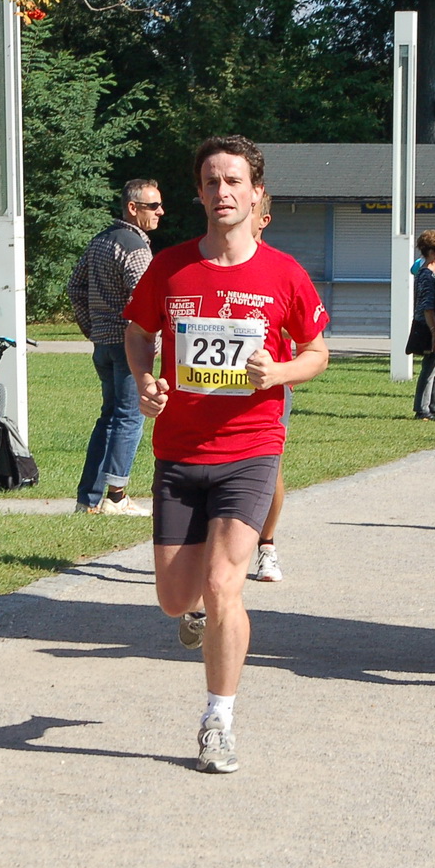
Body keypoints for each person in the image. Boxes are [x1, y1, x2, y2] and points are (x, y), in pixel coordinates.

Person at [123, 136, 329, 772]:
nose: (222, 193)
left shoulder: (285, 274)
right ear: (200, 193)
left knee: (222, 587)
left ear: (256, 193)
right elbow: (137, 331)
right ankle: (193, 617)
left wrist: (279, 373)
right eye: (211, 182)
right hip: (180, 453)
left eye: (233, 181)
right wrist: (145, 380)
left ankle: (219, 719)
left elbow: (320, 353)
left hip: (250, 449)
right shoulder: (172, 268)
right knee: (172, 597)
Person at [67, 180, 160, 515]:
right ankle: (117, 497)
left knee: (108, 418)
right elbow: (144, 297)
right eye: (153, 206)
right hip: (128, 345)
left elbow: (75, 287)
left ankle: (87, 500)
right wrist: (149, 339)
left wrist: (93, 327)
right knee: (129, 417)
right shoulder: (135, 247)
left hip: (103, 344)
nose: (160, 212)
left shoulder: (100, 241)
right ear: (132, 208)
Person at [250, 193, 292, 582]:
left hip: (264, 396)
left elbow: (313, 348)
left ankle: (267, 546)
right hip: (207, 395)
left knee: (270, 470)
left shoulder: (280, 270)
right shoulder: (201, 262)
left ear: (263, 220)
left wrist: (280, 372)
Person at [411, 230, 435, 420]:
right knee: (430, 368)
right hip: (428, 325)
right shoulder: (426, 273)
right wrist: (434, 332)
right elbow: (427, 307)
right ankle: (422, 407)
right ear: (432, 252)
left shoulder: (433, 272)